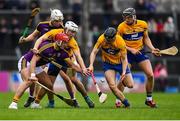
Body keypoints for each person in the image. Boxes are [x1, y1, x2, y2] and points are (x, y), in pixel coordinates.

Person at [8, 33, 82, 109]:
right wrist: (33, 75)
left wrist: (83, 70)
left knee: (49, 85)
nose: (67, 44)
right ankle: (14, 103)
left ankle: (35, 104)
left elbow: (72, 66)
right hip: (27, 61)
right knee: (29, 81)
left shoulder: (63, 53)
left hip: (37, 66)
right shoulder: (46, 47)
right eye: (65, 42)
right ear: (59, 41)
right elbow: (33, 60)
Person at [32, 21, 95, 108]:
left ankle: (86, 99)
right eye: (71, 31)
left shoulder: (73, 42)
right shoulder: (55, 32)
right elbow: (41, 39)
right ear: (66, 29)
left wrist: (83, 68)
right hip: (55, 59)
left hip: (67, 61)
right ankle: (42, 102)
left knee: (74, 80)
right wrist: (35, 48)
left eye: (74, 32)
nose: (73, 34)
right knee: (49, 83)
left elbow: (78, 56)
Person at [18, 8, 64, 108]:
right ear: (52, 19)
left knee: (46, 83)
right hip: (38, 55)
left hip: (50, 56)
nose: (59, 23)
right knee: (33, 79)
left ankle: (44, 102)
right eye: (57, 21)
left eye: (61, 20)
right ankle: (32, 97)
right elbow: (33, 36)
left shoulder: (62, 28)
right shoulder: (42, 25)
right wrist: (25, 39)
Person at [117, 7, 161, 108]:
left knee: (150, 75)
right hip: (126, 53)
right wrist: (130, 49)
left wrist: (153, 48)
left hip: (140, 52)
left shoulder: (143, 24)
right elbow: (118, 43)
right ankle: (119, 99)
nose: (126, 20)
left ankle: (149, 99)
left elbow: (146, 38)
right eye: (125, 18)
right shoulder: (121, 27)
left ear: (134, 16)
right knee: (124, 77)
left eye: (128, 18)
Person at [88, 27, 134, 108]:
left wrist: (123, 72)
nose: (107, 41)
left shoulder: (120, 42)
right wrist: (91, 64)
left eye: (109, 40)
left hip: (120, 63)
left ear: (114, 37)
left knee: (130, 85)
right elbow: (94, 52)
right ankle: (126, 103)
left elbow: (124, 59)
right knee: (112, 86)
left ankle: (121, 82)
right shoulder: (101, 39)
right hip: (108, 64)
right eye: (106, 39)